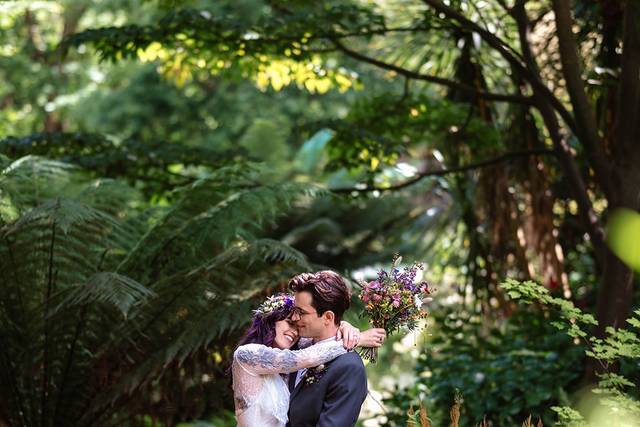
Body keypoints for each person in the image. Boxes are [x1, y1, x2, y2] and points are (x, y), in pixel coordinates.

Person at [232, 292, 385, 427]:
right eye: (290, 323)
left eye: (298, 327)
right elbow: (305, 357)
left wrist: (344, 327)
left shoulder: (296, 349)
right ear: (271, 319)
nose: (294, 332)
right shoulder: (247, 355)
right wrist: (358, 339)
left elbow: (324, 336)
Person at [287, 271, 379, 427]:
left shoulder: (349, 368)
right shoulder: (291, 343)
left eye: (301, 313)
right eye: (295, 310)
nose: (294, 317)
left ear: (328, 317)